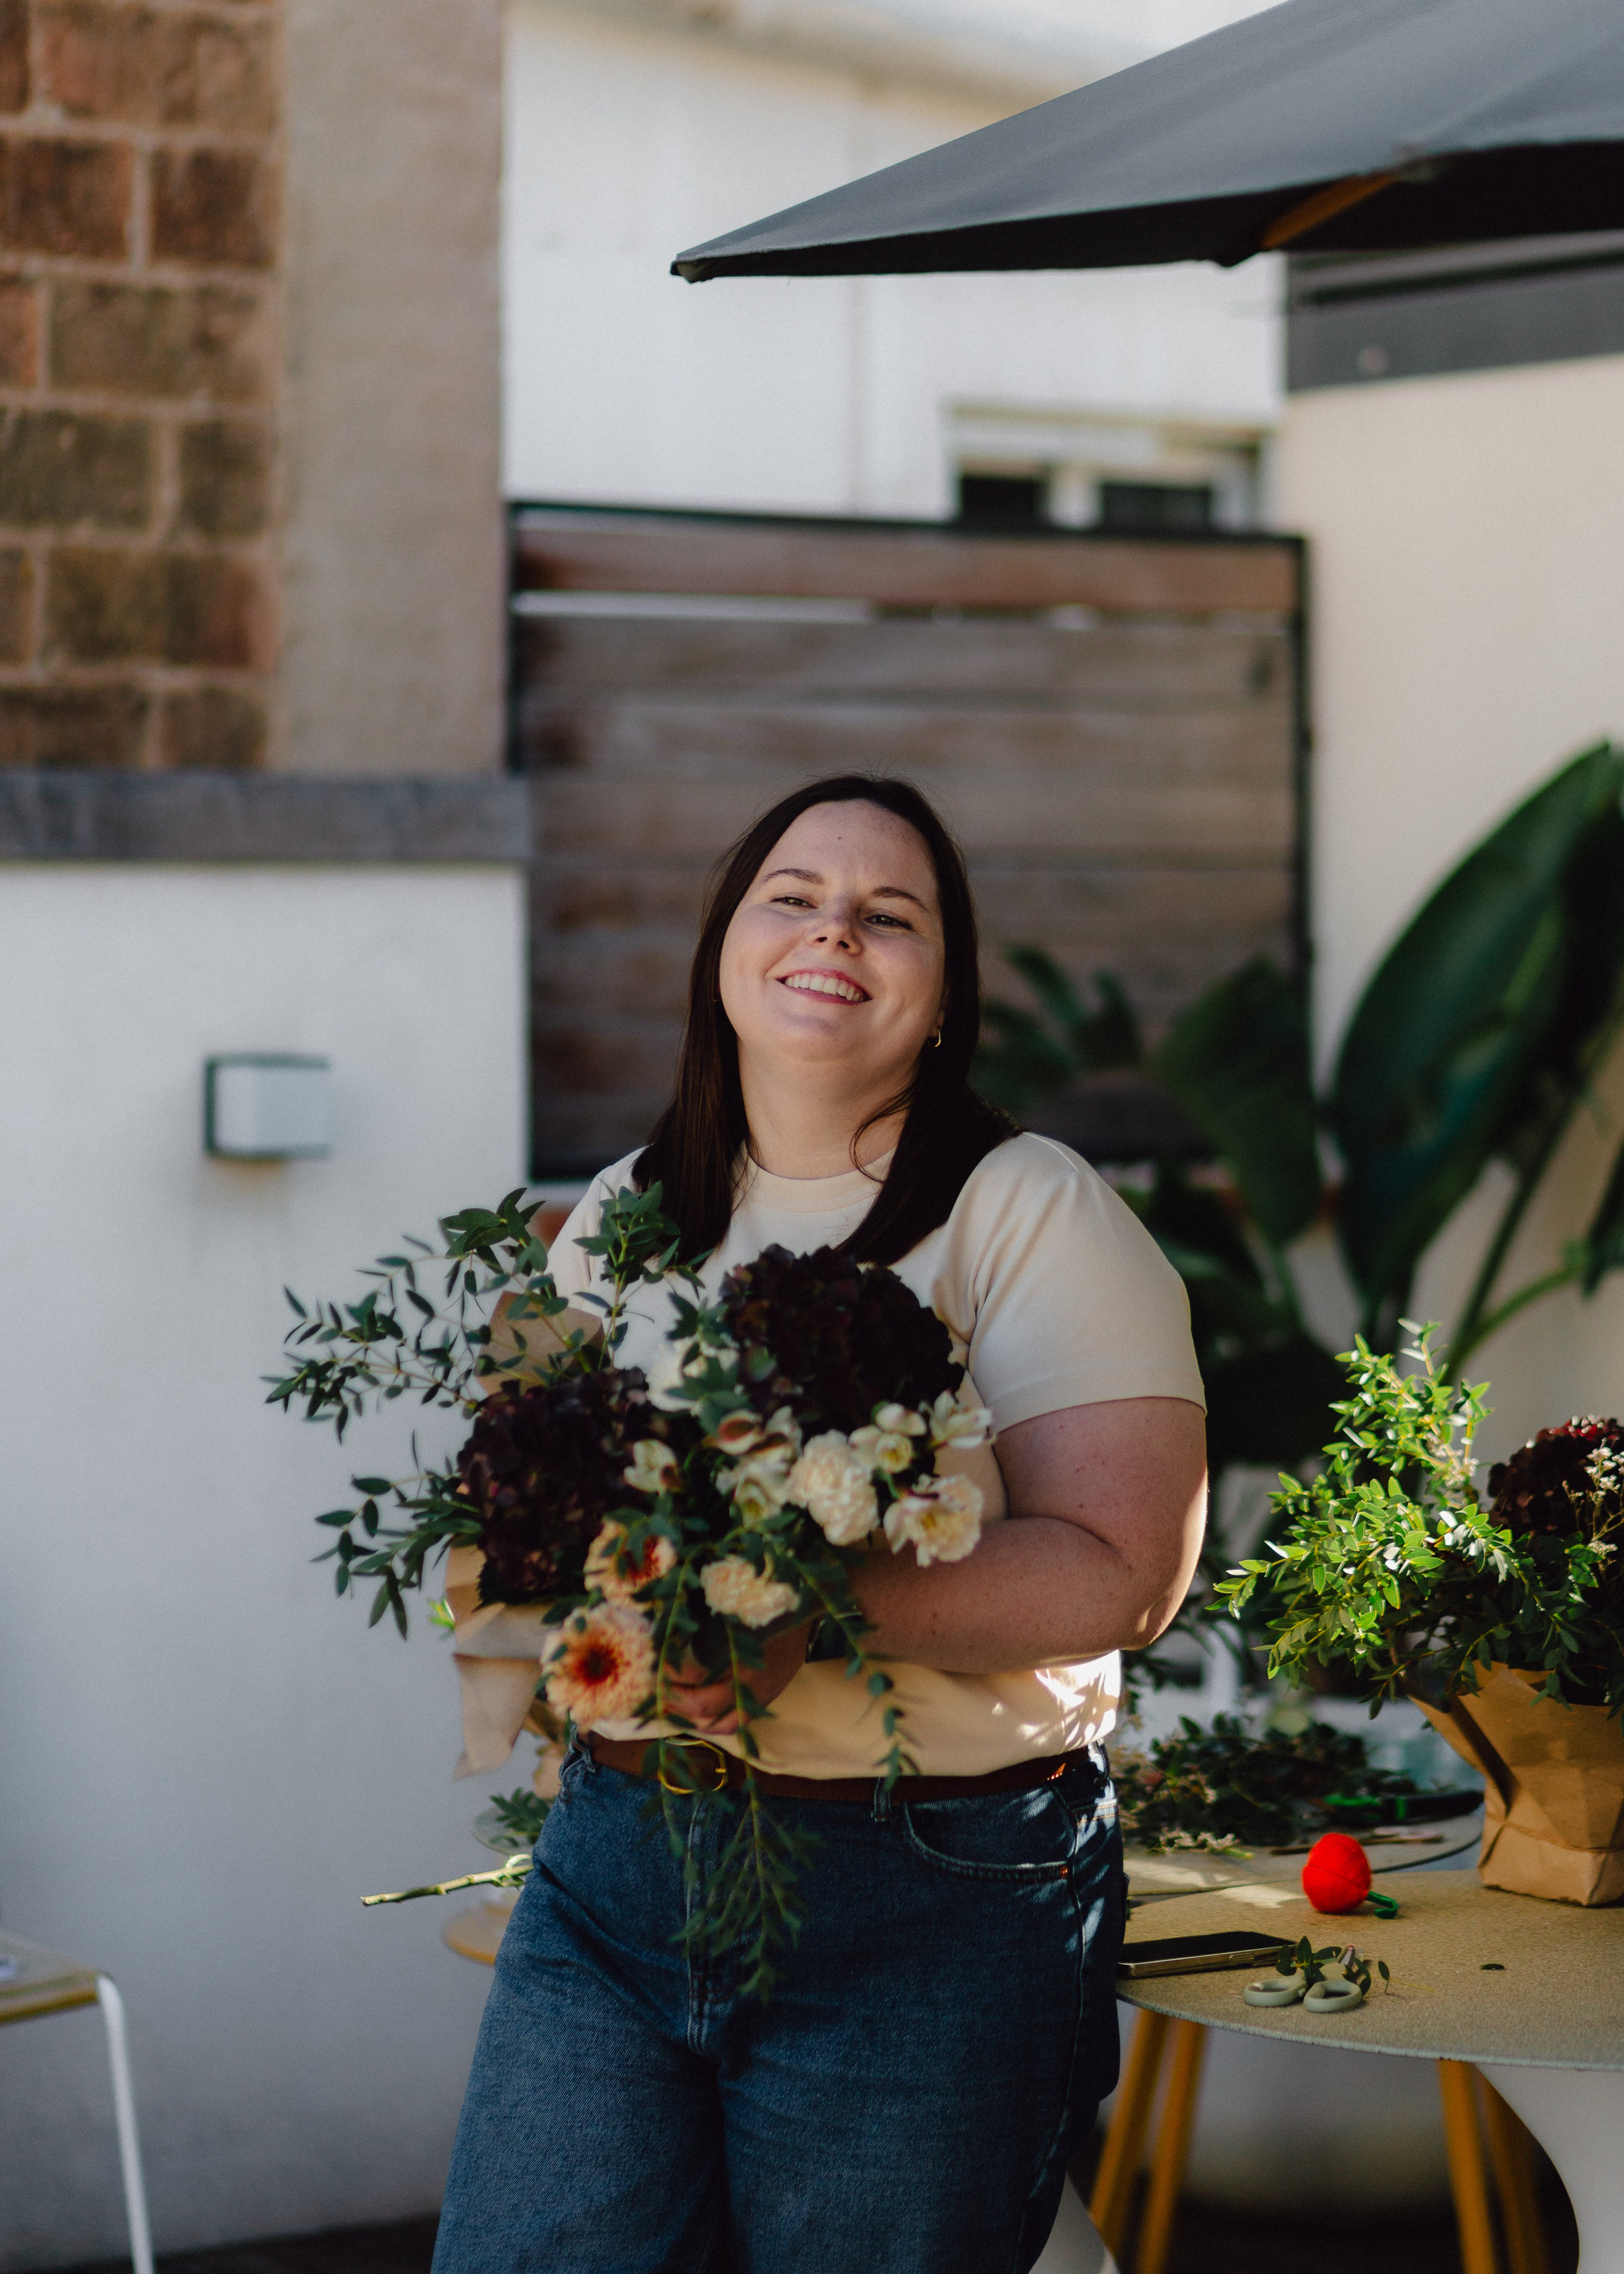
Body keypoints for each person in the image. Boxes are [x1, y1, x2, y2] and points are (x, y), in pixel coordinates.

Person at [431, 774, 1207, 2274]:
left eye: (887, 913)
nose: (830, 930)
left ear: (938, 995)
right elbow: (529, 1506)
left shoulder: (1028, 1209)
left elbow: (1125, 1571)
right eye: (792, 894)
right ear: (726, 947)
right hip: (619, 1861)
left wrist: (802, 1614)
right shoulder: (621, 1211)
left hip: (925, 1892)